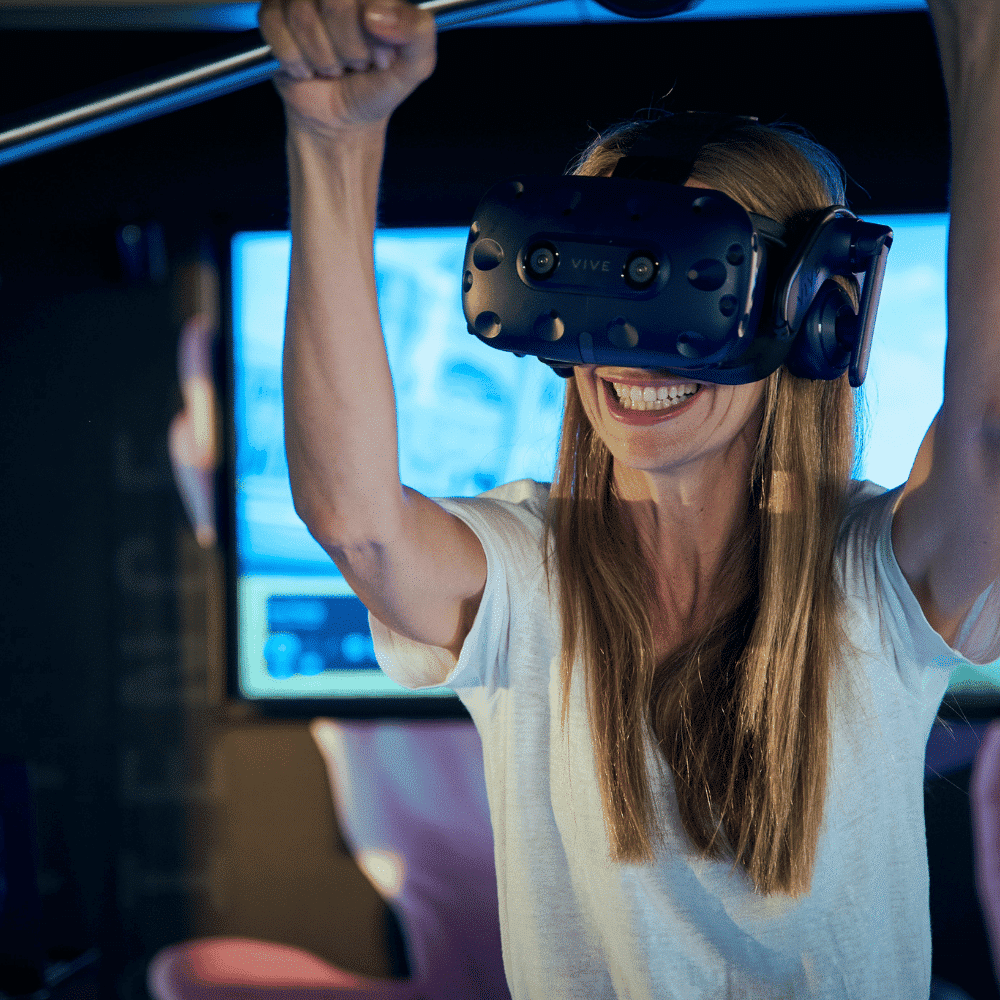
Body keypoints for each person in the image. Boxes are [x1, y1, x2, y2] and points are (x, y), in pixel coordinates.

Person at [258, 0, 1000, 995]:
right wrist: (333, 140)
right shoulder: (530, 576)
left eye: (686, 289)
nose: (628, 350)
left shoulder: (872, 579)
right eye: (605, 289)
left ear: (815, 315)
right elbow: (355, 521)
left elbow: (989, 437)